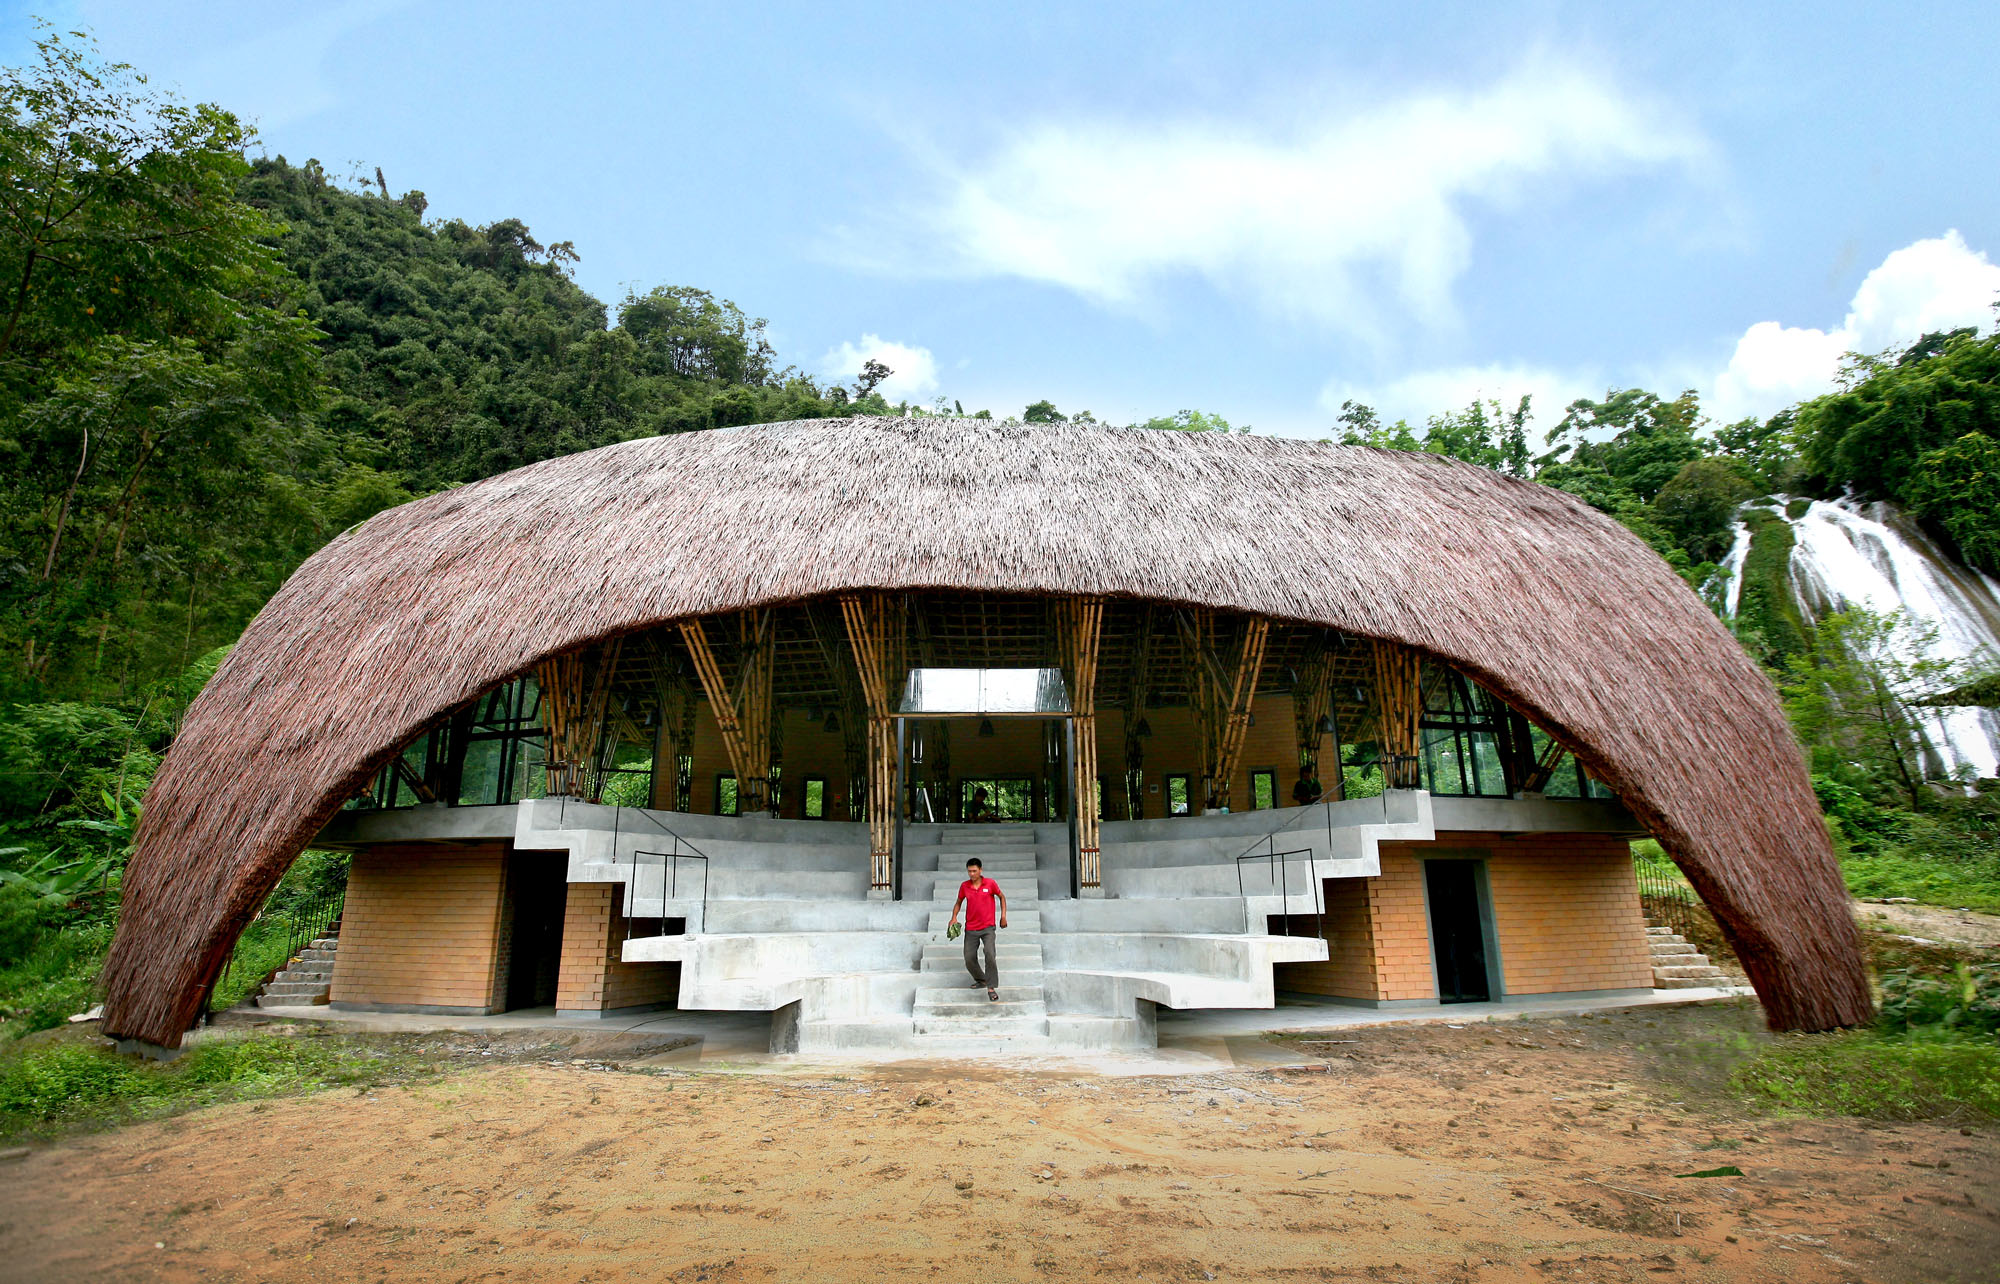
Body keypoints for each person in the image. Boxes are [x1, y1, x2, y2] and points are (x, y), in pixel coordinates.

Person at [948, 856, 1008, 1001]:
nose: (972, 874)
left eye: (974, 871)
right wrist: (954, 917)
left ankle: (991, 987)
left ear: (980, 870)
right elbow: (958, 902)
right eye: (969, 871)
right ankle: (981, 979)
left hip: (988, 927)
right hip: (971, 928)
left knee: (989, 953)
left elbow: (1002, 897)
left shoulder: (990, 883)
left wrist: (1003, 916)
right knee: (969, 958)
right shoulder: (964, 886)